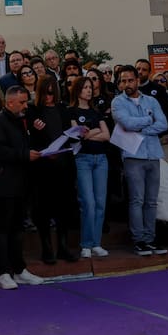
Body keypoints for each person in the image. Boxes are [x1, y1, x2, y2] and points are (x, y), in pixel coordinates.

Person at [0, 86, 45, 290]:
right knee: (2, 229)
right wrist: (24, 155)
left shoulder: (22, 120)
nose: (25, 106)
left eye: (26, 101)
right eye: (21, 102)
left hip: (21, 183)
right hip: (3, 184)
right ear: (10, 102)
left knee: (18, 229)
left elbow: (23, 144)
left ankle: (19, 269)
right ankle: (2, 273)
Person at [111, 66, 168, 256]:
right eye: (123, 81)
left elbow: (163, 124)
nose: (126, 84)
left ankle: (150, 239)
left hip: (153, 154)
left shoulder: (151, 100)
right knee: (137, 200)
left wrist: (142, 128)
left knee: (151, 201)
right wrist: (149, 119)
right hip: (133, 155)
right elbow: (127, 123)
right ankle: (139, 240)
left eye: (130, 80)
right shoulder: (117, 102)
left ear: (137, 80)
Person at [25, 76, 78, 264]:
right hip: (42, 166)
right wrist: (35, 129)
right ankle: (47, 248)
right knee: (43, 209)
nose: (49, 97)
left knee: (63, 208)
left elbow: (68, 133)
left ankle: (63, 246)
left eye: (52, 93)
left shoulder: (62, 109)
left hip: (63, 164)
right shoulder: (32, 110)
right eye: (46, 93)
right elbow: (30, 138)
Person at [68, 75, 111, 258]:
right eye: (85, 87)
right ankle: (86, 243)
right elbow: (79, 136)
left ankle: (96, 243)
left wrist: (90, 132)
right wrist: (95, 131)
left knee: (100, 202)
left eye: (90, 87)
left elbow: (107, 135)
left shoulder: (96, 112)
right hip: (83, 159)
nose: (88, 90)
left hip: (101, 159)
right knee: (88, 202)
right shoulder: (71, 111)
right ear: (78, 90)